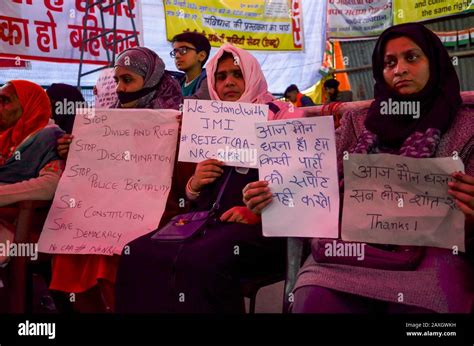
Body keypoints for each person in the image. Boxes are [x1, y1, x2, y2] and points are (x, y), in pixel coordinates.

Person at [243, 23, 474, 313]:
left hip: (431, 257)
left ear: (435, 61)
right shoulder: (357, 122)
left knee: (428, 313)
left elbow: (467, 223)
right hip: (344, 255)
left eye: (411, 58)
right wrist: (272, 196)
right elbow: (313, 186)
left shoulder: (467, 127)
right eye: (389, 62)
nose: (399, 69)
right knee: (312, 301)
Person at [115, 43, 303, 313]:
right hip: (206, 222)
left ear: (252, 76)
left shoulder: (283, 116)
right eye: (221, 76)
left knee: (199, 260)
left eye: (237, 75)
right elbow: (191, 196)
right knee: (137, 253)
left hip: (262, 230)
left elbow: (303, 187)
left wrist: (260, 214)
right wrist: (195, 183)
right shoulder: (208, 121)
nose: (229, 82)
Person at [49, 47, 187, 313]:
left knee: (108, 252)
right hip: (114, 207)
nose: (121, 89)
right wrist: (74, 153)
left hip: (160, 210)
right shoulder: (110, 119)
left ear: (150, 82)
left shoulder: (177, 121)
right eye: (117, 80)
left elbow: (184, 185)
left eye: (128, 80)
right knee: (70, 250)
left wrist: (177, 141)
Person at [0, 80, 64, 304]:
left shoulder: (50, 137)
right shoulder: (6, 137)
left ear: (28, 104)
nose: (0, 107)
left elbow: (49, 185)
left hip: (26, 226)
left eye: (5, 101)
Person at [170, 32, 211, 99]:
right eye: (175, 52)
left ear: (201, 56)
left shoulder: (209, 80)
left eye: (183, 50)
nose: (177, 56)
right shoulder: (177, 82)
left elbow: (196, 103)